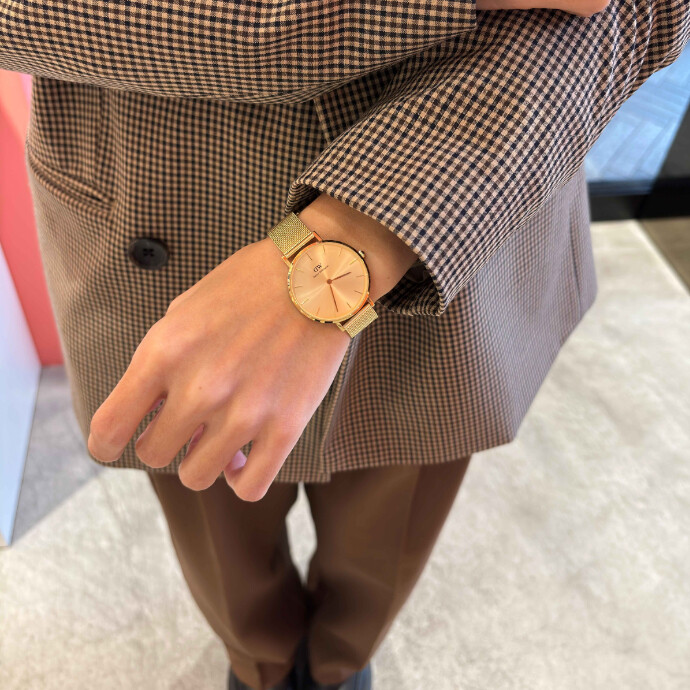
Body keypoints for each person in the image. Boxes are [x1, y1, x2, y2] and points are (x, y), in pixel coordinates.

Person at [3, 0, 687, 687]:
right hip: (156, 214)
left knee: (384, 544)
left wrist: (360, 233)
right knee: (220, 538)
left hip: (457, 215)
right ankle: (261, 668)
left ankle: (337, 668)